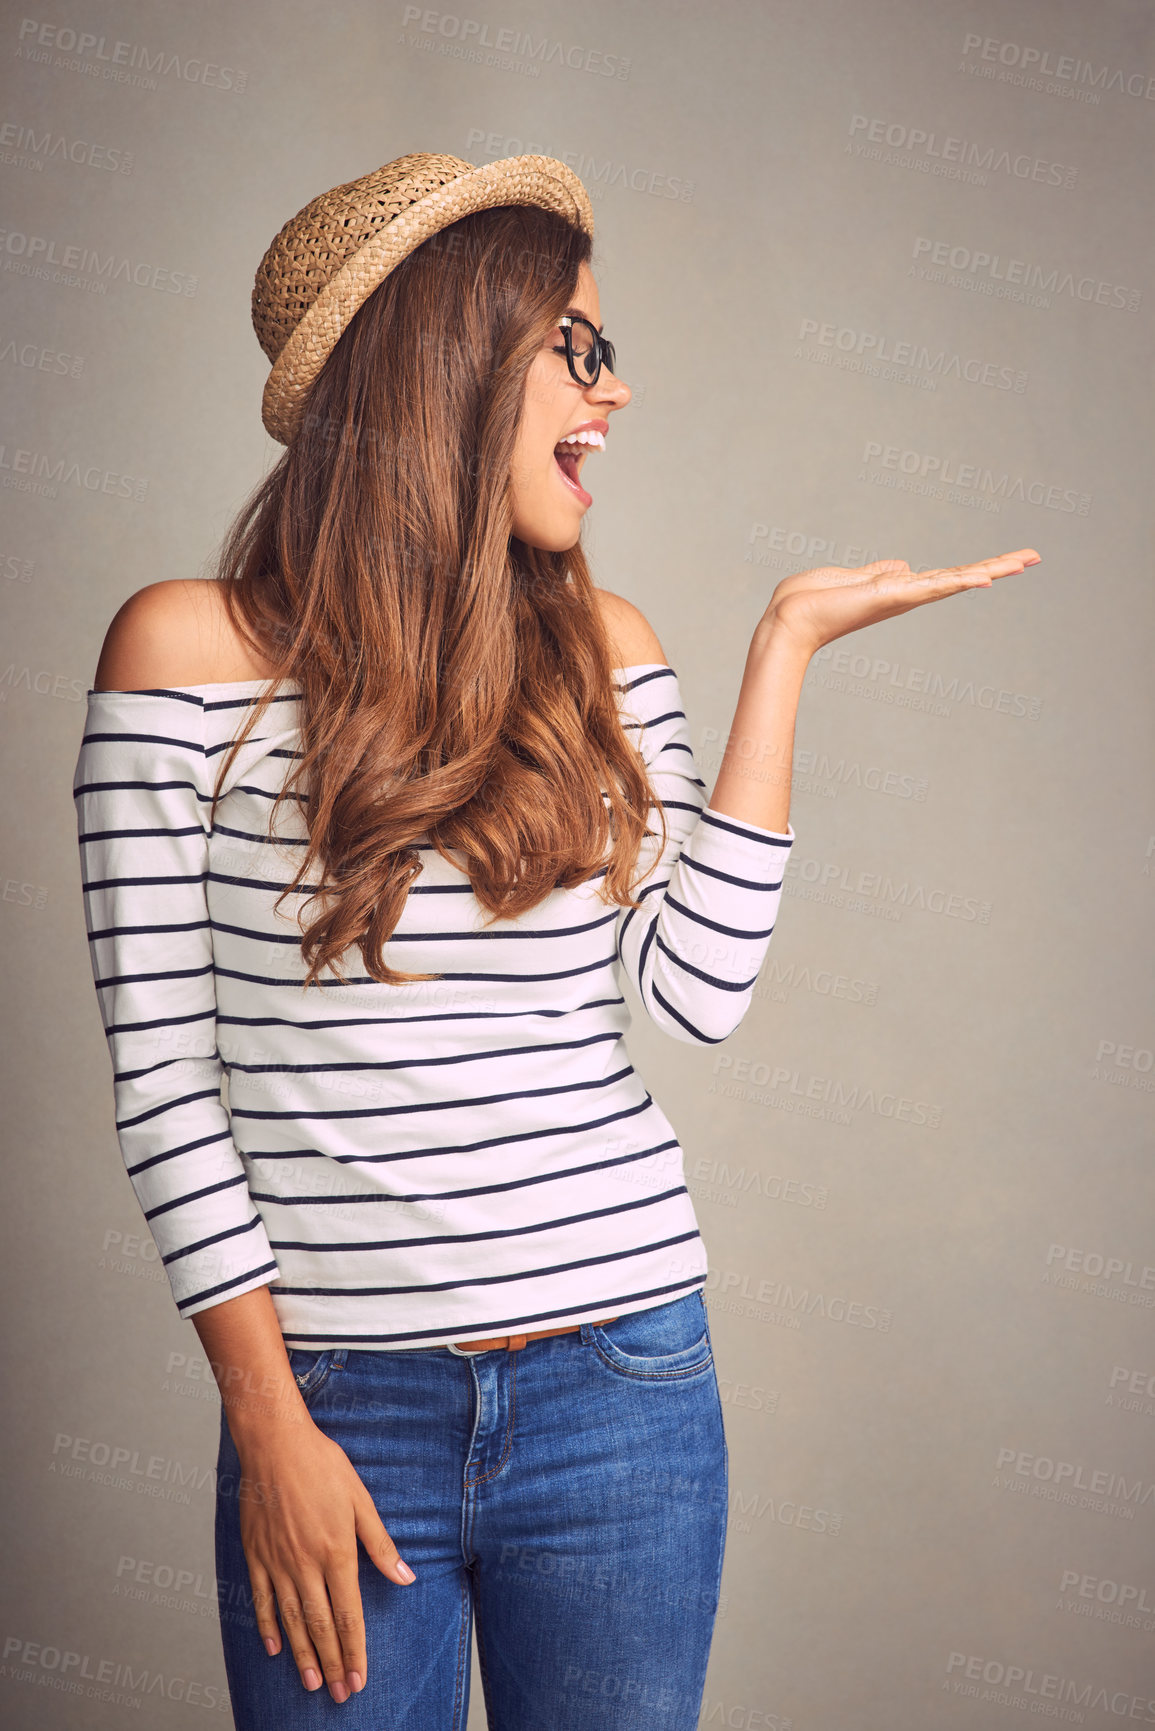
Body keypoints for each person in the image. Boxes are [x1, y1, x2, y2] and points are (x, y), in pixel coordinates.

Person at [72, 150, 1040, 1728]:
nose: (621, 389)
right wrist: (266, 1423)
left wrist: (782, 652)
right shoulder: (178, 655)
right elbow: (167, 1085)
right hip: (335, 1404)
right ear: (443, 363)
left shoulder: (603, 649)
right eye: (579, 347)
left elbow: (697, 992)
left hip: (625, 1391)